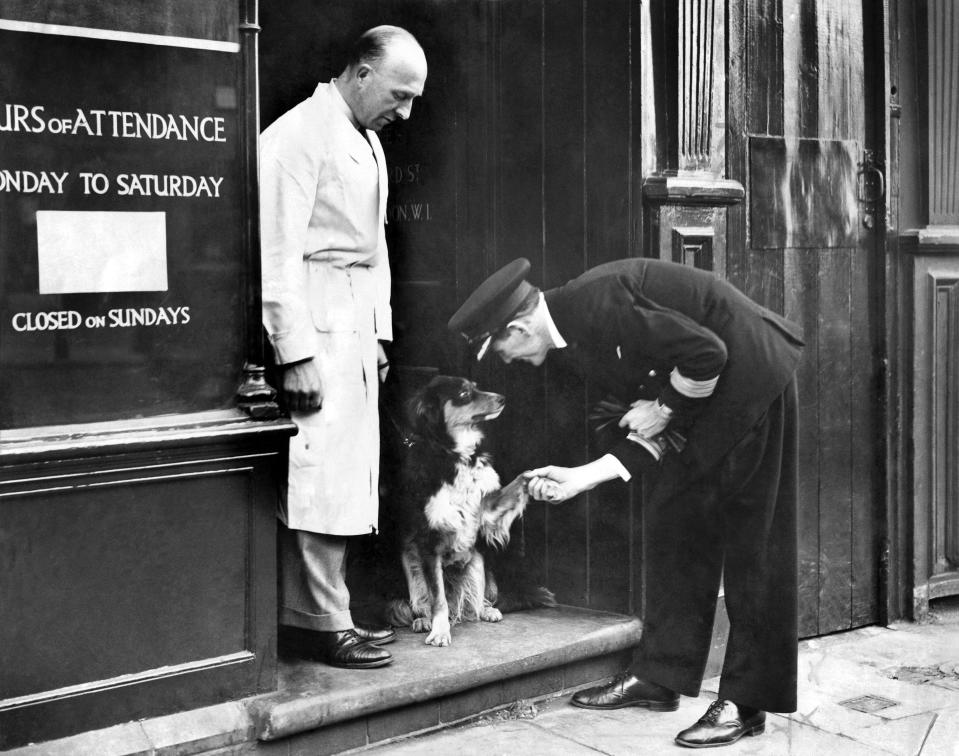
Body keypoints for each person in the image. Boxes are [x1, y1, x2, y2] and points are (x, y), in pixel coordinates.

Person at [447, 257, 803, 747]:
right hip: (706, 398)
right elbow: (649, 424)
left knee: (755, 548)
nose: (505, 363)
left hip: (754, 381)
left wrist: (663, 407)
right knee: (673, 522)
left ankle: (747, 703)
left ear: (518, 326)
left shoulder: (597, 302)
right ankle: (660, 676)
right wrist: (580, 478)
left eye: (501, 350)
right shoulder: (570, 338)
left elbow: (707, 355)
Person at [259, 26, 427, 669]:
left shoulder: (368, 138)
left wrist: (379, 333)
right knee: (317, 476)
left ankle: (331, 613)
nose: (405, 111)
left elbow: (376, 248)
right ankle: (315, 621)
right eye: (399, 94)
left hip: (353, 326)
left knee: (347, 476)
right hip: (316, 318)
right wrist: (294, 350)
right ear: (360, 74)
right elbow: (277, 253)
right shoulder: (295, 137)